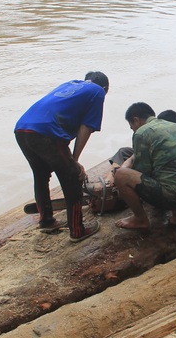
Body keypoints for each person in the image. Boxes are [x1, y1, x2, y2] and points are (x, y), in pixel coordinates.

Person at [14, 71, 109, 242]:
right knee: (72, 176)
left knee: (41, 175)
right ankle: (77, 230)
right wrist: (75, 161)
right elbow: (86, 127)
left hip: (22, 128)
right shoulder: (98, 91)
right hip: (45, 132)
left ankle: (46, 221)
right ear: (105, 88)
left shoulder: (71, 83)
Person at [113, 102, 176, 230]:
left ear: (136, 120)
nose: (133, 130)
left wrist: (124, 169)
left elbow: (142, 171)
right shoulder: (173, 126)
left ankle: (140, 219)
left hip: (171, 197)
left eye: (132, 127)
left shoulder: (141, 133)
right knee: (173, 172)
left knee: (120, 175)